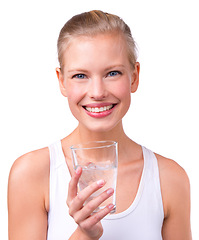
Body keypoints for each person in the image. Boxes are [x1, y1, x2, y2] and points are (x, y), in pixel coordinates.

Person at [8, 10, 192, 240]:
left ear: (134, 77)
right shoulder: (32, 174)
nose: (97, 93)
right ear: (61, 81)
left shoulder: (170, 178)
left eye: (112, 73)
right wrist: (84, 234)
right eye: (80, 76)